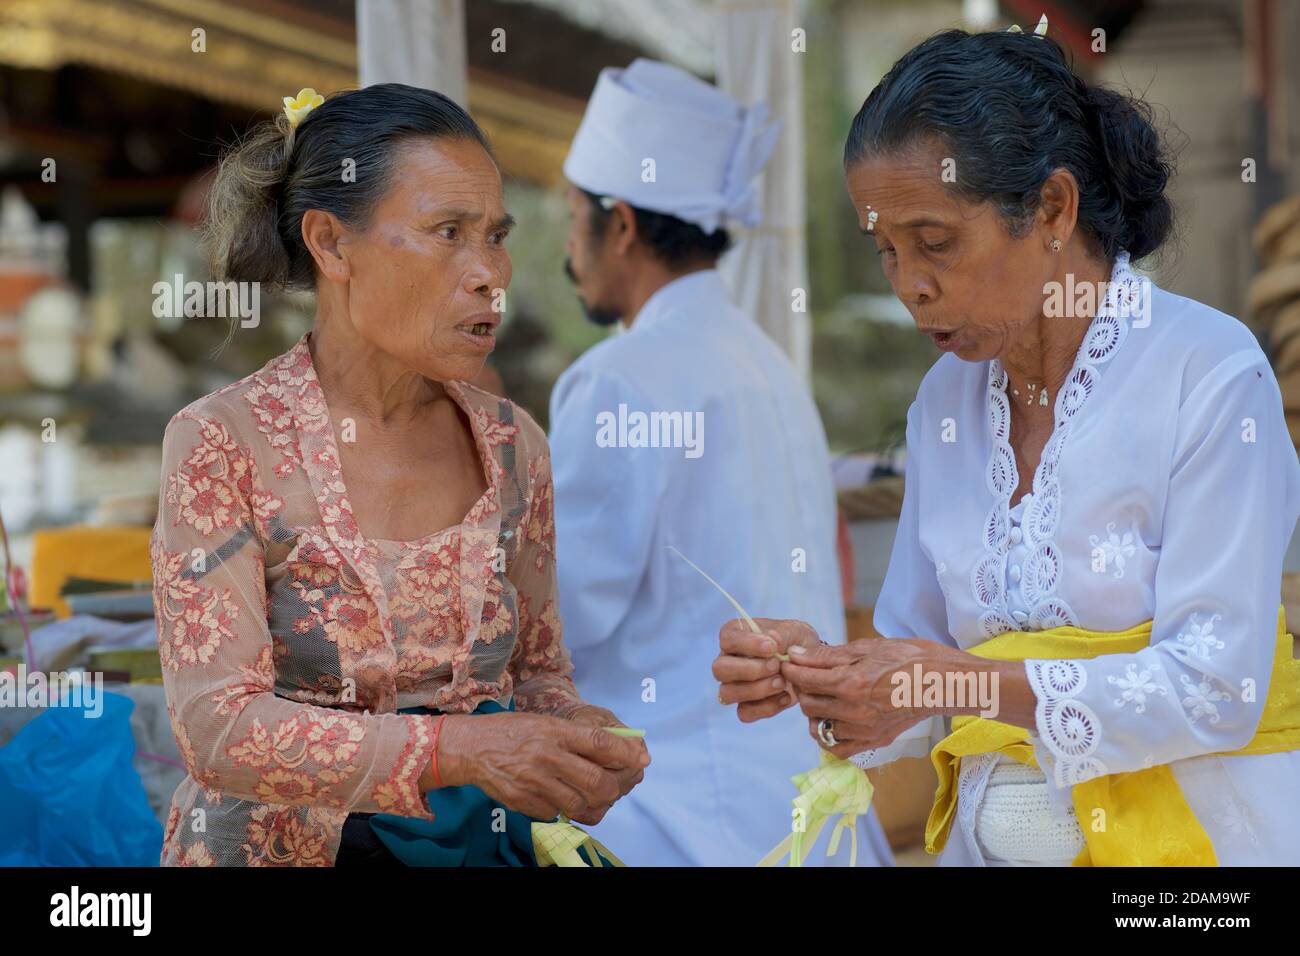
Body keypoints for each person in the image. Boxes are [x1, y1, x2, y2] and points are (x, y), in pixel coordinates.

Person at [715, 23, 1300, 866]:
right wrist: (824, 672)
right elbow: (913, 665)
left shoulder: (1207, 373)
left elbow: (1218, 687)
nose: (910, 284)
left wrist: (940, 681)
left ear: (1053, 209)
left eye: (936, 241)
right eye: (885, 250)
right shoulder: (944, 403)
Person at [150, 83, 647, 867]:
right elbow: (220, 729)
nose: (490, 273)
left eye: (496, 236)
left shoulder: (512, 445)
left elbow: (539, 672)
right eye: (448, 232)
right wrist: (464, 751)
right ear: (332, 244)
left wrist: (574, 740)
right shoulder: (223, 442)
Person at [551, 59, 892, 866]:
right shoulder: (768, 364)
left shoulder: (616, 377)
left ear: (622, 225)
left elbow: (559, 614)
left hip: (672, 815)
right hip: (807, 806)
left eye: (572, 218)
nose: (568, 249)